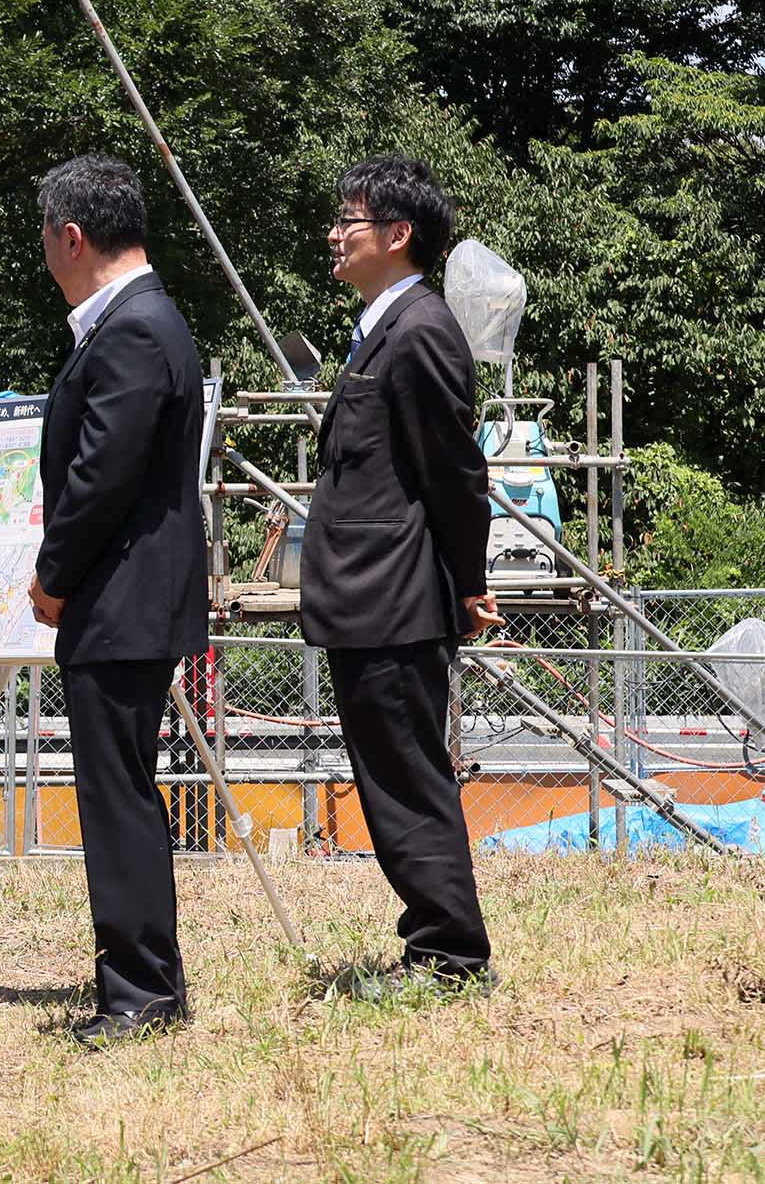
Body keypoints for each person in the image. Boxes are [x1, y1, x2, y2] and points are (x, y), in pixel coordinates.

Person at [24, 155, 208, 1048]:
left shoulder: (132, 328)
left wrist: (51, 575)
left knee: (117, 796)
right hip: (129, 598)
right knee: (123, 791)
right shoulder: (141, 320)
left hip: (120, 599)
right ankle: (145, 981)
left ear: (73, 236)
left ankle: (140, 991)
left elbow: (101, 478)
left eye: (45, 240)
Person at [300, 156, 497, 989]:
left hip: (396, 598)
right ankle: (435, 940)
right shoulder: (382, 327)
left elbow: (454, 473)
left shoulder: (418, 330)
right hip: (368, 597)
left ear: (397, 234)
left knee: (408, 779)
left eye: (351, 220)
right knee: (391, 775)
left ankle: (450, 953)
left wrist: (467, 582)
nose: (336, 235)